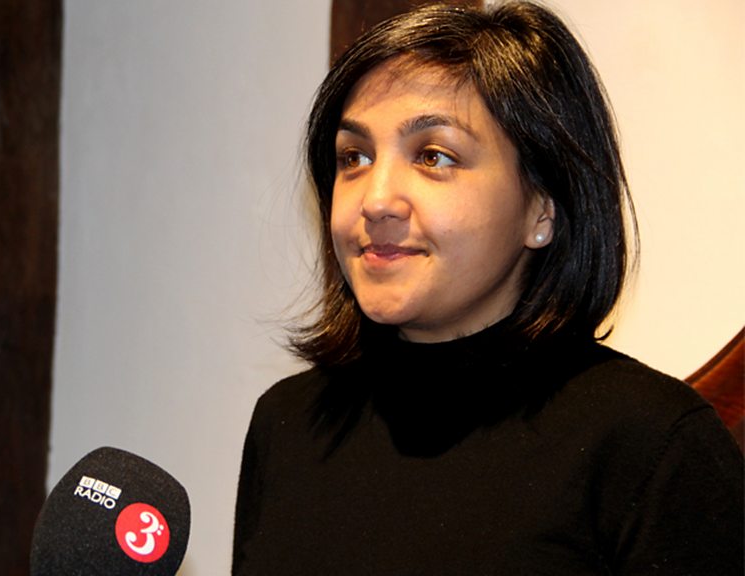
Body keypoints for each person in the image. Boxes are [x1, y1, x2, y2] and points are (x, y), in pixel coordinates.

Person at [232, 2, 744, 574]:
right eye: (355, 157)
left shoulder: (650, 442)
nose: (375, 200)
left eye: (433, 157)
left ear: (542, 207)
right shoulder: (290, 423)